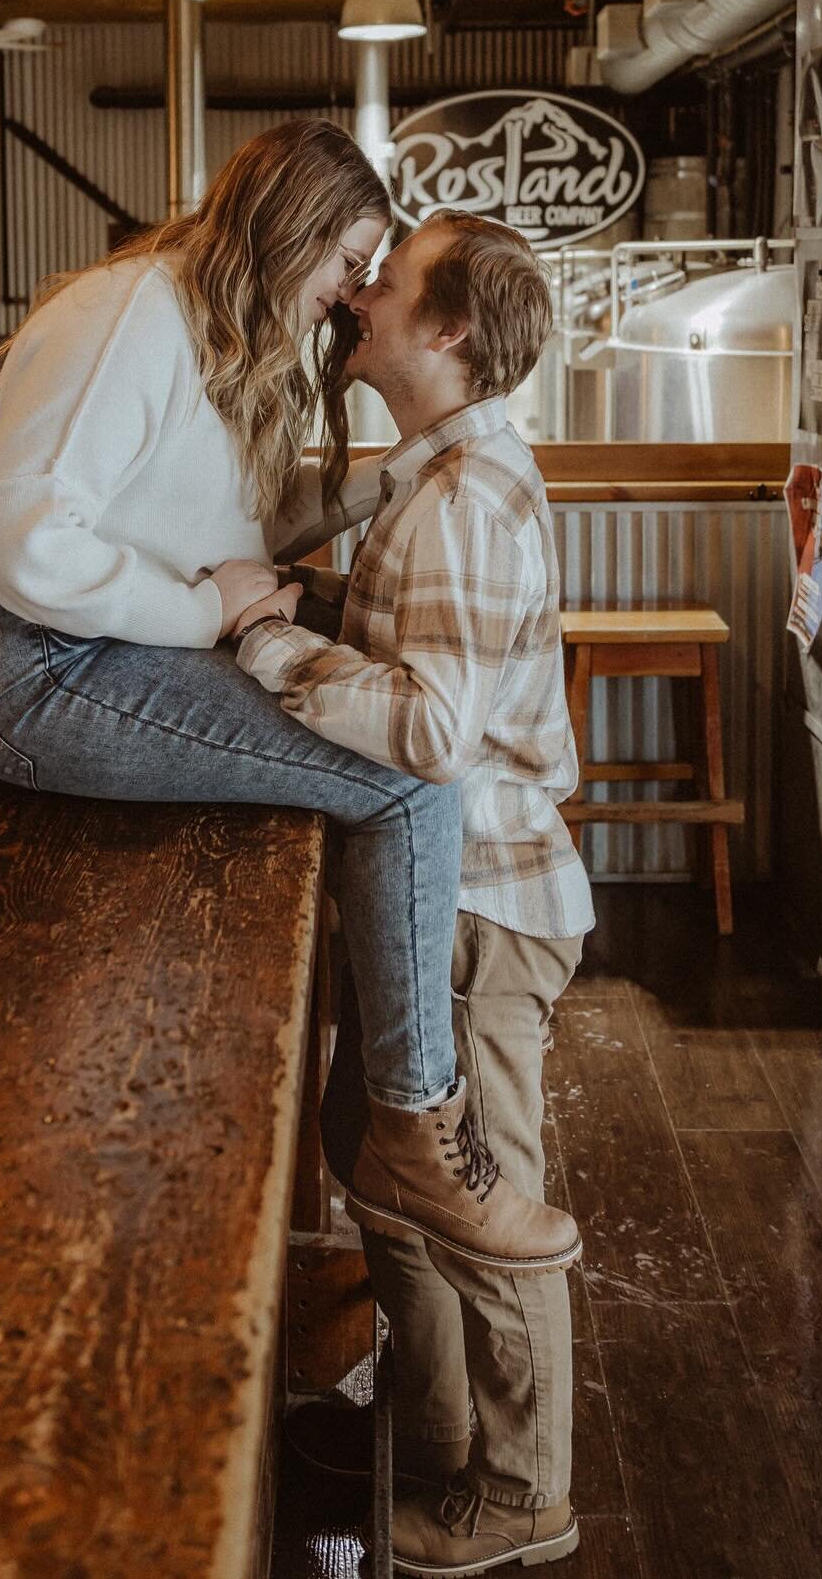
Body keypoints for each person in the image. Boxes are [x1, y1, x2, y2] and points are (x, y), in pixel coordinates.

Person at [0, 122, 578, 1274]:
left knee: (391, 747)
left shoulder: (211, 324)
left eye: (373, 274)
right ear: (296, 231)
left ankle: (391, 1136)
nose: (348, 295)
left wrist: (389, 486)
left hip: (83, 654)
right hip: (22, 672)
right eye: (348, 261)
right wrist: (210, 614)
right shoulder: (133, 312)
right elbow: (18, 533)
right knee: (405, 773)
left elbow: (209, 532)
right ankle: (420, 1131)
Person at [241, 212, 593, 1574]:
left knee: (478, 1197)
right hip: (444, 891)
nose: (361, 290)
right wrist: (314, 600)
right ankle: (435, 1429)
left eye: (387, 279)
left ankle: (521, 1494)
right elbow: (419, 644)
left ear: (446, 330)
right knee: (377, 1151)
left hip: (482, 907)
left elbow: (436, 730)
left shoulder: (456, 500)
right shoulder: (439, 469)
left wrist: (266, 636)